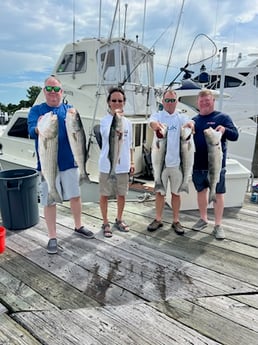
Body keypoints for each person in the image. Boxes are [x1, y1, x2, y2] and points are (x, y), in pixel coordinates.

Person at [28, 75, 94, 254]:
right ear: (44, 91)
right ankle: (52, 236)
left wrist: (75, 116)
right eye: (49, 89)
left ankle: (78, 225)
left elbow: (78, 133)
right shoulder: (36, 110)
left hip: (69, 162)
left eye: (56, 89)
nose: (53, 93)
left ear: (61, 91)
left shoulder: (69, 110)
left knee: (75, 196)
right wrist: (39, 127)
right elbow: (31, 131)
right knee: (50, 200)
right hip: (47, 164)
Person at [191, 89, 239, 239]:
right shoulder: (194, 119)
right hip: (198, 165)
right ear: (198, 103)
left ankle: (218, 225)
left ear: (213, 101)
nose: (204, 103)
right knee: (201, 192)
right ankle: (203, 218)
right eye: (201, 101)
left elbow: (235, 135)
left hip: (217, 166)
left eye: (207, 100)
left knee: (218, 193)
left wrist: (225, 130)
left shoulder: (222, 117)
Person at [147, 90, 194, 235]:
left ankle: (176, 220)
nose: (170, 103)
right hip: (161, 164)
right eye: (167, 100)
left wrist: (191, 125)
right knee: (160, 193)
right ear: (163, 102)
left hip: (177, 164)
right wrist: (155, 126)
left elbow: (190, 121)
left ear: (177, 102)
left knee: (176, 194)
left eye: (173, 101)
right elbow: (152, 122)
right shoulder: (158, 115)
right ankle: (158, 219)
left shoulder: (181, 117)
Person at [98, 87, 134, 237]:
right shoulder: (105, 121)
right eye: (114, 100)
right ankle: (105, 222)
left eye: (120, 100)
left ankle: (119, 219)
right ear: (108, 103)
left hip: (123, 164)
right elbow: (107, 134)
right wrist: (116, 122)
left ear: (124, 102)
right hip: (107, 165)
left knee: (122, 194)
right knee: (104, 194)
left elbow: (130, 144)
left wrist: (132, 162)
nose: (117, 103)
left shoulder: (128, 122)